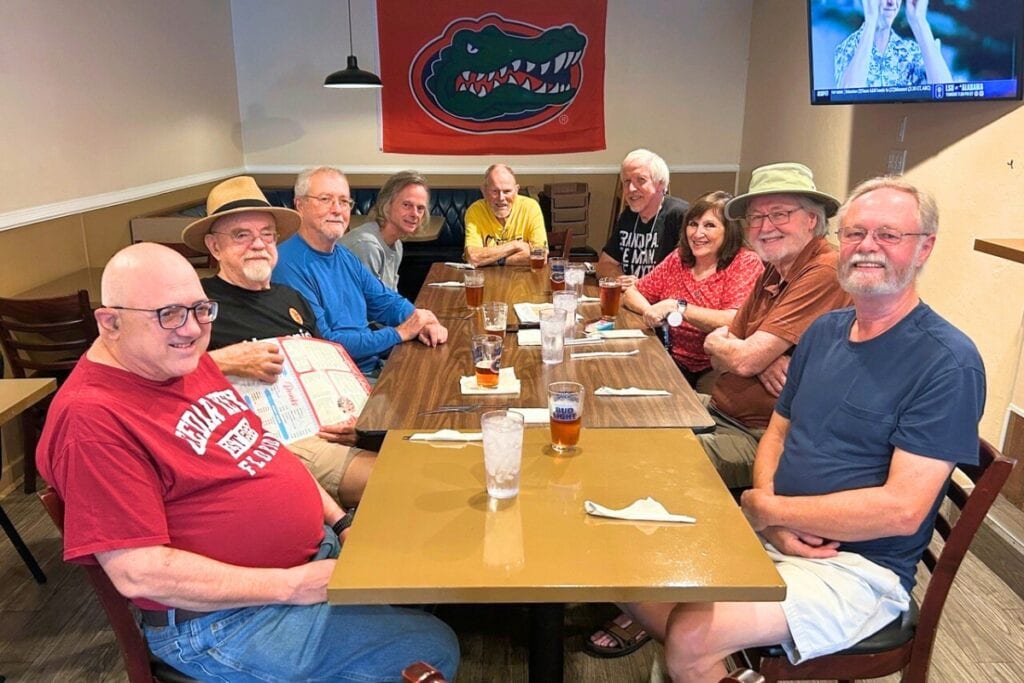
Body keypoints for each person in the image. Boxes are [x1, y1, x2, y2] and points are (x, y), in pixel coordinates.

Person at [35, 243, 460, 682]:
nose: (192, 329)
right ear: (110, 322)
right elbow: (137, 573)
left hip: (308, 560)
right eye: (169, 314)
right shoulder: (91, 420)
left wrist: (340, 522)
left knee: (431, 565)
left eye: (201, 310)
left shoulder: (181, 362)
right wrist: (294, 587)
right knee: (430, 647)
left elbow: (264, 452)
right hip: (223, 620)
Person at [623, 177, 985, 682]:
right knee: (626, 569)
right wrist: (771, 516)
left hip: (856, 567)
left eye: (889, 235)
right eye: (856, 234)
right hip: (776, 532)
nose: (867, 247)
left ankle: (707, 656)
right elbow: (777, 431)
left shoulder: (948, 362)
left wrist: (765, 507)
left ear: (924, 247)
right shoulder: (826, 332)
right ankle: (721, 665)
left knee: (690, 634)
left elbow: (902, 511)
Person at [588, 163, 851, 659]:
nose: (765, 226)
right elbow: (721, 343)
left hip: (764, 434)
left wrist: (753, 353)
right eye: (756, 218)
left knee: (646, 463)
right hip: (723, 404)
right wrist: (753, 352)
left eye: (781, 213)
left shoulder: (823, 268)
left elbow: (742, 351)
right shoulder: (775, 267)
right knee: (618, 419)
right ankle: (640, 569)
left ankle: (659, 592)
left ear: (814, 220)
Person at [180, 175, 377, 507]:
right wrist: (224, 361)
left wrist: (354, 421)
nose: (258, 244)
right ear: (215, 246)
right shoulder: (198, 306)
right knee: (396, 475)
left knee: (417, 440)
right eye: (241, 235)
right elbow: (155, 379)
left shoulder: (291, 298)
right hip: (266, 443)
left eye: (266, 235)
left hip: (330, 427)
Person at [275, 166, 447, 378]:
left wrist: (423, 321)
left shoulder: (342, 255)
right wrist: (399, 333)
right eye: (325, 199)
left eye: (344, 201)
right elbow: (325, 343)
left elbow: (385, 301)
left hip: (370, 367)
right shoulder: (287, 263)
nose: (337, 209)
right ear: (299, 205)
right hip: (339, 378)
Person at [622, 191, 764, 389]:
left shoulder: (745, 262)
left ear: (729, 230)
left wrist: (678, 307)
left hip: (717, 365)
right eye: (693, 224)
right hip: (670, 355)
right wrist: (649, 312)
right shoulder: (679, 257)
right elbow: (632, 292)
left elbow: (735, 320)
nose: (697, 234)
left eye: (710, 225)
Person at [597, 148, 688, 287]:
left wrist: (643, 285)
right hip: (631, 298)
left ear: (661, 184)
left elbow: (689, 274)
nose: (632, 188)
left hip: (662, 303)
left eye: (641, 180)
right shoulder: (628, 216)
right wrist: (620, 278)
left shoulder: (680, 215)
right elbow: (604, 264)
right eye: (627, 181)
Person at [340, 170, 431, 291]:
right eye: (406, 205)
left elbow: (389, 299)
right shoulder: (367, 245)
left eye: (420, 208)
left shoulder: (396, 244)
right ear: (387, 205)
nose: (415, 214)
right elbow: (370, 305)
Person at [835, 0, 952, 88]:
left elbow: (946, 95)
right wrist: (871, 20)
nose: (891, 2)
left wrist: (918, 21)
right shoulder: (848, 48)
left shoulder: (911, 52)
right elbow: (846, 101)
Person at [463, 164, 547, 267]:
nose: (501, 198)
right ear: (484, 191)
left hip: (523, 280)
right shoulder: (475, 211)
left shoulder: (531, 207)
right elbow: (474, 257)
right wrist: (515, 245)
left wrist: (492, 260)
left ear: (516, 190)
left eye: (507, 191)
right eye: (495, 191)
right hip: (487, 280)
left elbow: (540, 256)